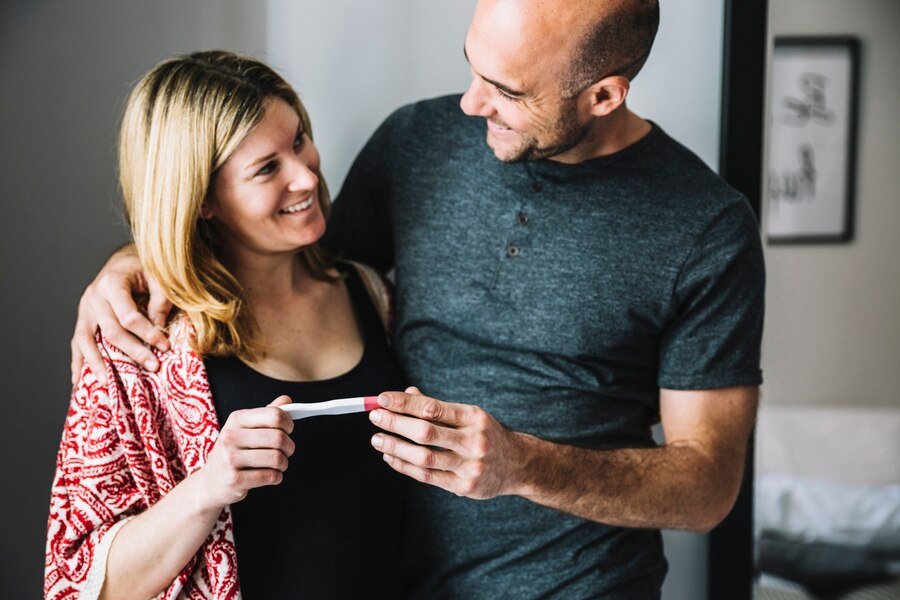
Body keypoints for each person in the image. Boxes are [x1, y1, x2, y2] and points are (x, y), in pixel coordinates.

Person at [70, 0, 765, 597]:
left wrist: (521, 465)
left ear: (603, 96)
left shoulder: (706, 228)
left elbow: (708, 488)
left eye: (507, 90)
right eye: (472, 66)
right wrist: (137, 261)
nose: (470, 104)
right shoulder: (416, 144)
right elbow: (291, 261)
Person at [46, 51, 407, 599]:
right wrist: (209, 487)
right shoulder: (136, 343)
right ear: (203, 201)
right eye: (267, 168)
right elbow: (75, 583)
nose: (307, 175)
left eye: (299, 140)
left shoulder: (374, 296)